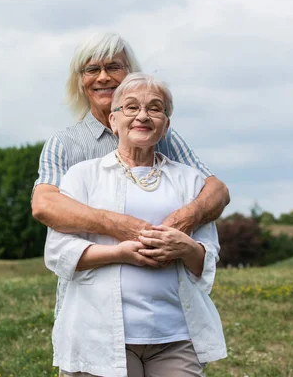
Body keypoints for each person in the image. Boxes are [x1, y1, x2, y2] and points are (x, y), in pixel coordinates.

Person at [44, 72, 226, 376]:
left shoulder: (189, 181)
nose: (143, 115)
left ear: (166, 125)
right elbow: (59, 253)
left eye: (155, 108)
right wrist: (122, 253)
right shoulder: (83, 176)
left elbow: (206, 260)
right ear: (113, 121)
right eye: (130, 107)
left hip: (175, 337)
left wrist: (185, 247)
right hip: (98, 333)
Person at [32, 32, 229, 244]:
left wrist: (183, 220)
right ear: (80, 81)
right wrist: (118, 226)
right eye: (92, 69)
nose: (103, 77)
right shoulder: (64, 143)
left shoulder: (162, 135)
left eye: (114, 67)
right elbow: (44, 204)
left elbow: (217, 191)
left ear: (130, 74)